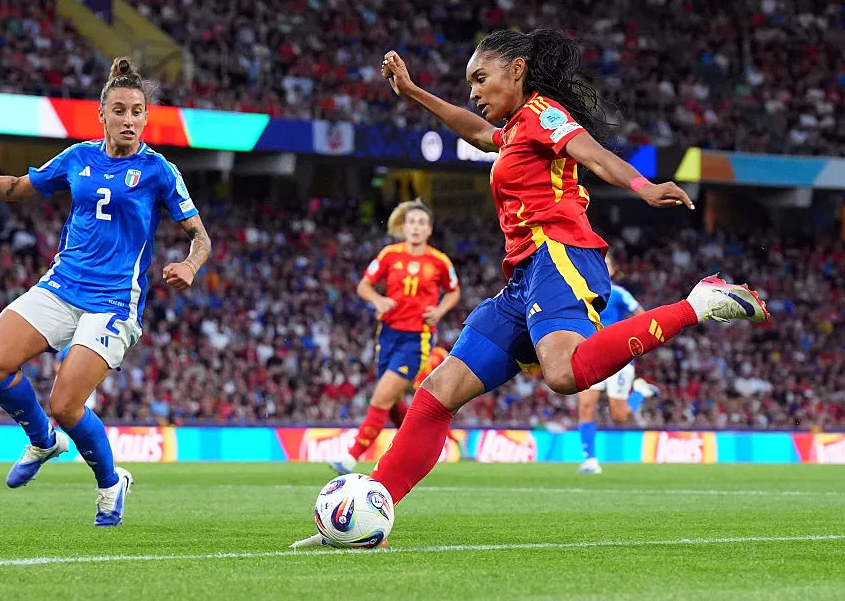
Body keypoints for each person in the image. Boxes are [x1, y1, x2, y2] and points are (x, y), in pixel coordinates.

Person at [292, 29, 768, 547]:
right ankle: (367, 512)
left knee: (564, 374)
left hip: (560, 253)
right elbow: (476, 132)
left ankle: (698, 304)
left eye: (480, 78)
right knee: (437, 394)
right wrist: (412, 93)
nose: (474, 90)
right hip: (522, 278)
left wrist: (643, 187)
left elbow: (593, 155)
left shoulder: (543, 114)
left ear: (516, 69)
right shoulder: (514, 128)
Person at [0, 58, 211, 527]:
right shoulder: (77, 158)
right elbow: (18, 188)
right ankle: (43, 440)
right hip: (61, 286)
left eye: (137, 112)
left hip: (113, 303)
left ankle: (111, 483)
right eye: (120, 111)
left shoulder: (159, 170)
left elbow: (201, 236)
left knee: (66, 403)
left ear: (146, 118)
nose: (128, 120)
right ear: (102, 114)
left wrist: (190, 265)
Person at [329, 200, 460, 475]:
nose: (416, 227)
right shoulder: (390, 255)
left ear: (429, 230)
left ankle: (350, 458)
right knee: (390, 403)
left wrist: (439, 310)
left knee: (381, 397)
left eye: (421, 223)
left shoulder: (439, 261)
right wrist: (378, 300)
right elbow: (364, 285)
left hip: (416, 338)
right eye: (411, 222)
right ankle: (421, 448)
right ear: (404, 227)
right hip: (387, 335)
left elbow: (454, 291)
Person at [576, 253, 659, 474]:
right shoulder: (582, 294)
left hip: (619, 360)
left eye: (608, 264)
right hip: (592, 357)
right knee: (585, 406)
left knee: (619, 416)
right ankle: (590, 460)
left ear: (613, 270)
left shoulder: (620, 293)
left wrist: (629, 340)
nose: (604, 267)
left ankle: (639, 391)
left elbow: (643, 317)